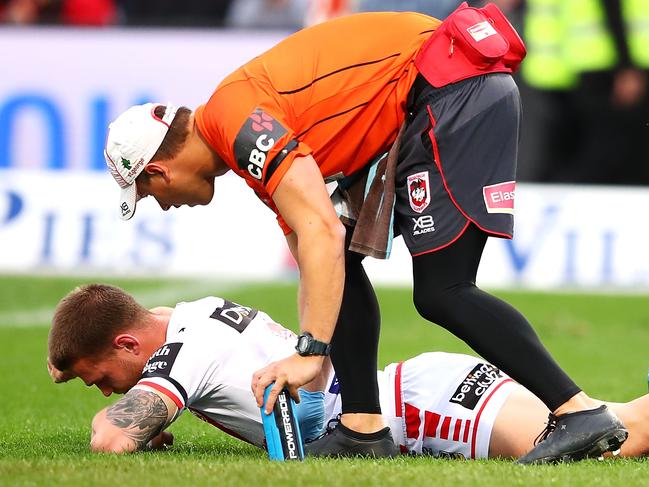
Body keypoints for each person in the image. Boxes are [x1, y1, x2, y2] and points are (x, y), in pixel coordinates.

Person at [101, 4, 626, 462]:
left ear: (157, 171)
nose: (162, 206)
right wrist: (314, 344)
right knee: (346, 263)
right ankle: (361, 426)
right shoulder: (236, 128)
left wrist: (310, 353)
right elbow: (315, 251)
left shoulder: (238, 123)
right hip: (438, 91)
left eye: (148, 195)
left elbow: (319, 229)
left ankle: (578, 411)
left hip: (449, 90)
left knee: (443, 291)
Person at [48, 284, 639, 460]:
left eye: (97, 377)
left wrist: (120, 417)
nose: (103, 390)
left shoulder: (184, 352)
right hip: (409, 397)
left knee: (609, 442)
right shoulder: (190, 316)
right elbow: (149, 319)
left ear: (129, 343)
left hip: (418, 406)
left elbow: (113, 439)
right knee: (613, 424)